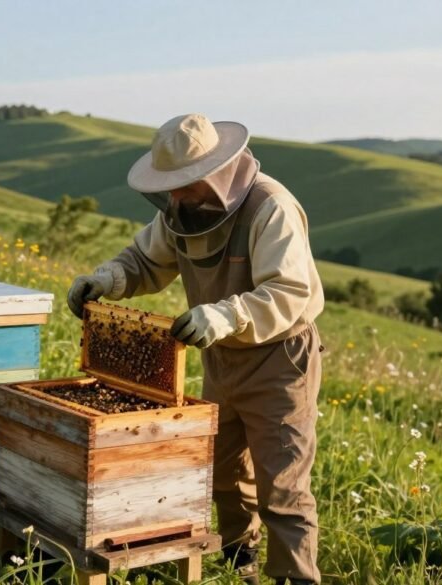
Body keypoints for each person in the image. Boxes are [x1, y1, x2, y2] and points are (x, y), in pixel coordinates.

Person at [67, 114, 325, 585]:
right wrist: (107, 278)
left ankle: (296, 577)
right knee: (222, 470)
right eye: (171, 187)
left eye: (185, 185)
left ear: (217, 171)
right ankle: (237, 559)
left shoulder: (271, 207)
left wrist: (224, 315)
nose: (177, 197)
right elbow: (145, 259)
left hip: (279, 360)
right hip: (220, 356)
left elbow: (289, 293)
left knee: (282, 485)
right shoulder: (181, 212)